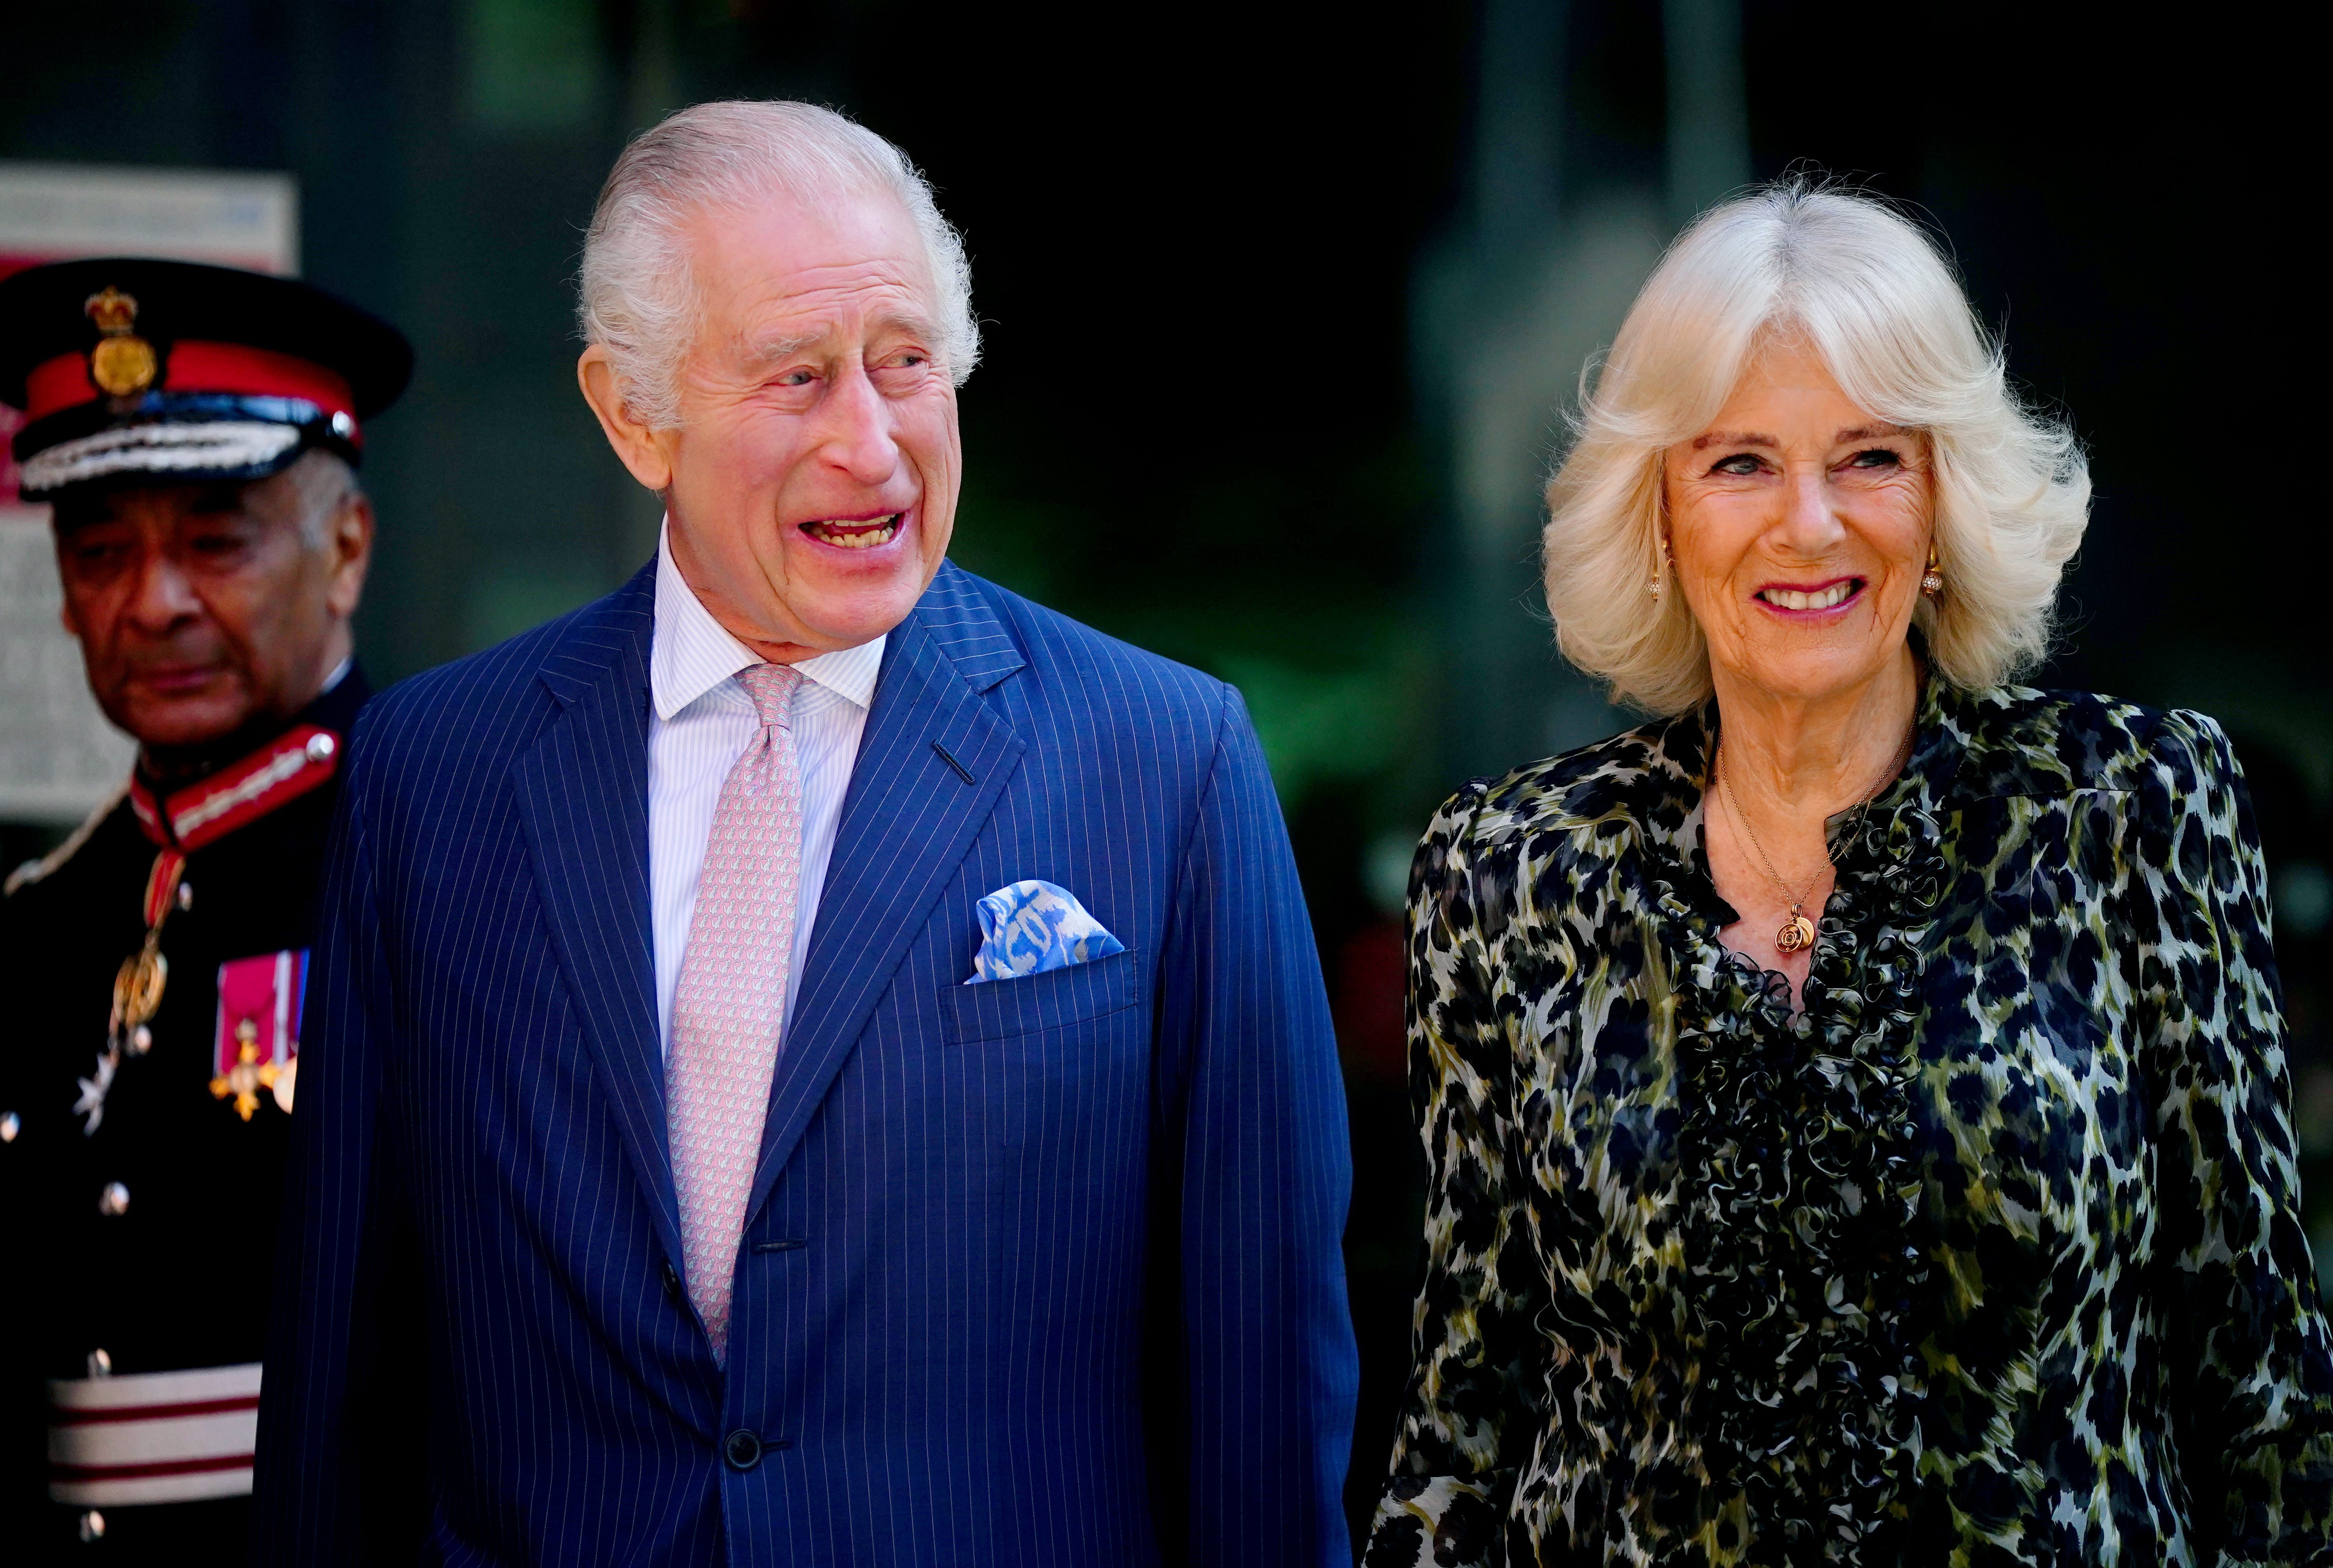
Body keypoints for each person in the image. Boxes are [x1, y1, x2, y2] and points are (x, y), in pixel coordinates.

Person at [251, 100, 1359, 1566]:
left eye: (907, 364)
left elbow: (1262, 1403)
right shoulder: (432, 776)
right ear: (635, 416)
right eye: (797, 377)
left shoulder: (1166, 764)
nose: (873, 444)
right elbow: (344, 1384)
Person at [1365, 183, 2333, 1565]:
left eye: (1870, 458)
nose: (1808, 524)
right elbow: (1461, 1432)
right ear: (1660, 515)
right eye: (1740, 462)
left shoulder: (2133, 809)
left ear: (1944, 503)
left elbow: (2270, 1402)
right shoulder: (1509, 873)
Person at [0, 258, 409, 1560]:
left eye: (215, 544)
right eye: (102, 553)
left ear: (344, 551)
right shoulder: (41, 919)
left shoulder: (443, 866)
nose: (152, 604)